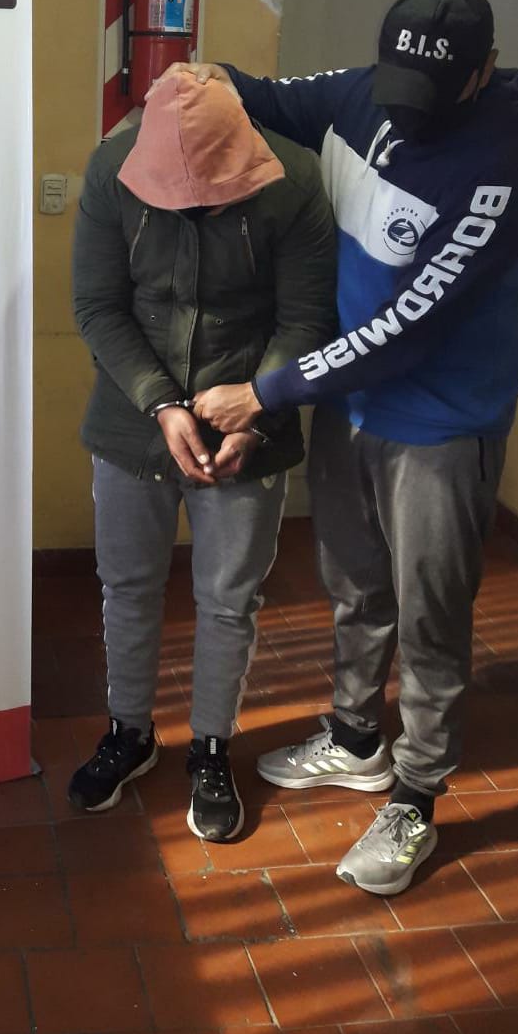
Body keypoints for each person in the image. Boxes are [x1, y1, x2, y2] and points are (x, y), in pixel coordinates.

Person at [162, 0, 518, 891]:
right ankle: (356, 736)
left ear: (483, 71)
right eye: (395, 87)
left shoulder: (500, 173)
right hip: (351, 407)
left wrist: (265, 394)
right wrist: (202, 78)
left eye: (430, 95)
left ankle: (415, 796)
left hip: (440, 427)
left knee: (430, 615)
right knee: (354, 584)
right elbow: (269, 97)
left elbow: (405, 330)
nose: (403, 113)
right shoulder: (365, 91)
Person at [68, 72, 337, 841]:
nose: (193, 211)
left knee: (229, 600)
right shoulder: (110, 171)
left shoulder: (294, 178)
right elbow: (98, 306)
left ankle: (211, 749)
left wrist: (260, 406)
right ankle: (129, 732)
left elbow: (307, 316)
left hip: (250, 417)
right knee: (127, 585)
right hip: (133, 418)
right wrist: (160, 402)